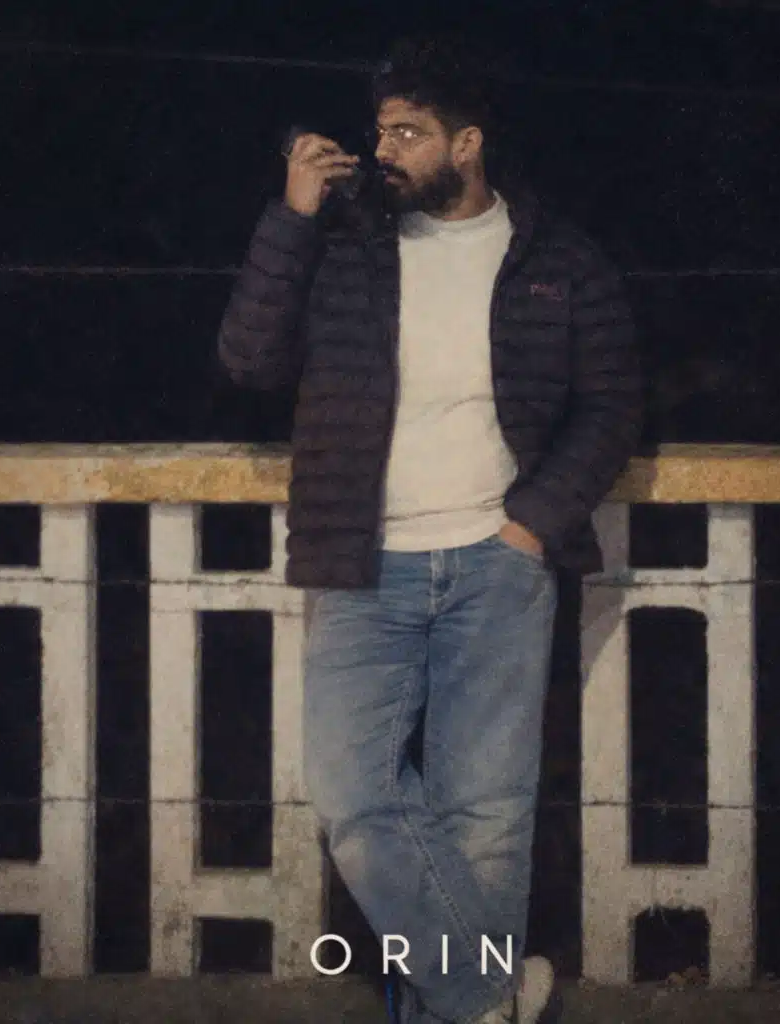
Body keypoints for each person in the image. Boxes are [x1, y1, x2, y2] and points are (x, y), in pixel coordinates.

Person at [217, 34, 642, 1024]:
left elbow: (612, 403)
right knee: (353, 799)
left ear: (468, 142)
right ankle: (495, 993)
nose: (384, 152)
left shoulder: (557, 258)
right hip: (361, 563)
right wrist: (292, 215)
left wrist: (533, 522)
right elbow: (247, 360)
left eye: (409, 133)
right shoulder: (346, 246)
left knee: (485, 816)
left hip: (498, 565)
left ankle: (457, 1012)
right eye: (380, 132)